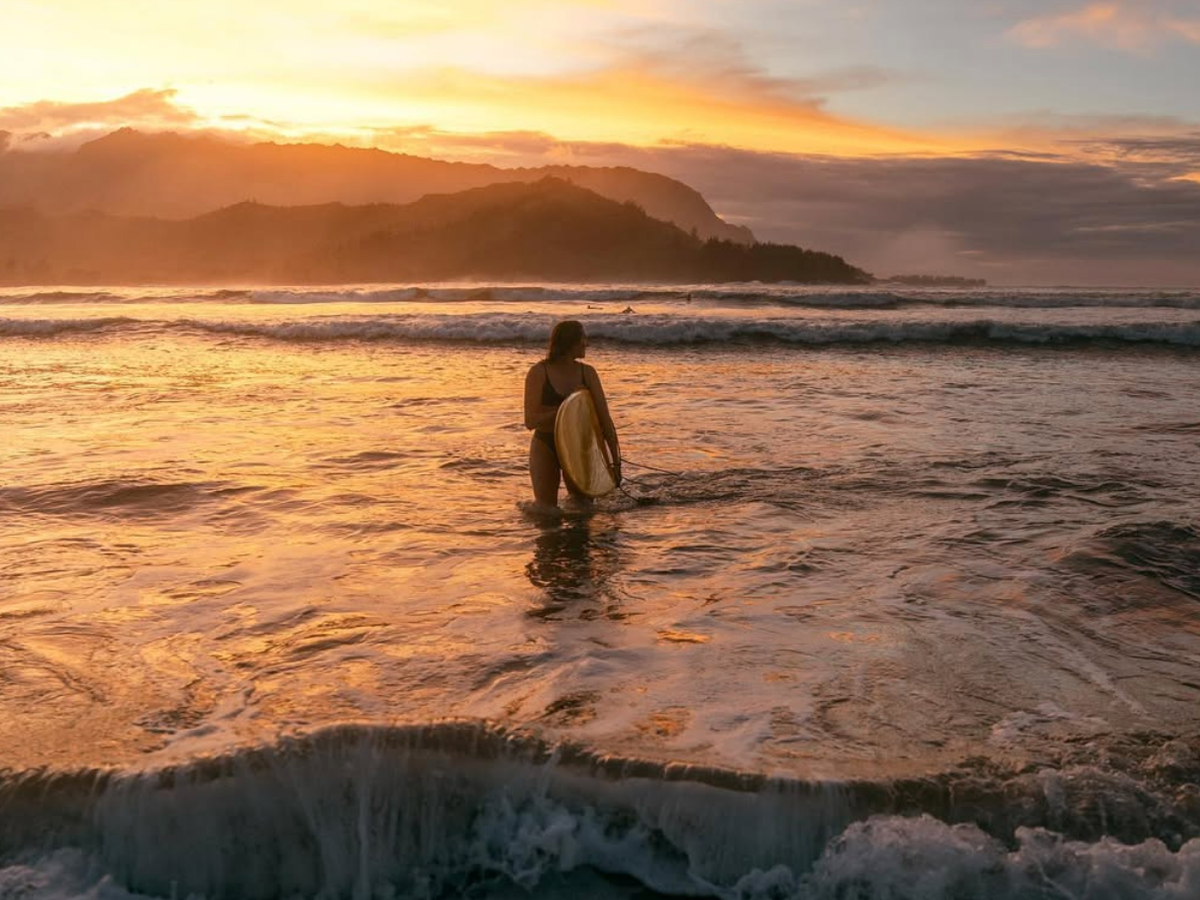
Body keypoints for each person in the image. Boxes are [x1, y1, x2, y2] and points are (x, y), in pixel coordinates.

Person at [524, 320, 621, 507]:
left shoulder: (588, 373)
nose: (587, 343)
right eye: (583, 338)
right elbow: (530, 420)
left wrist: (615, 464)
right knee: (546, 512)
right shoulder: (538, 372)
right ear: (570, 343)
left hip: (578, 443)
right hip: (546, 443)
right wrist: (568, 404)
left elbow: (605, 419)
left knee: (582, 509)